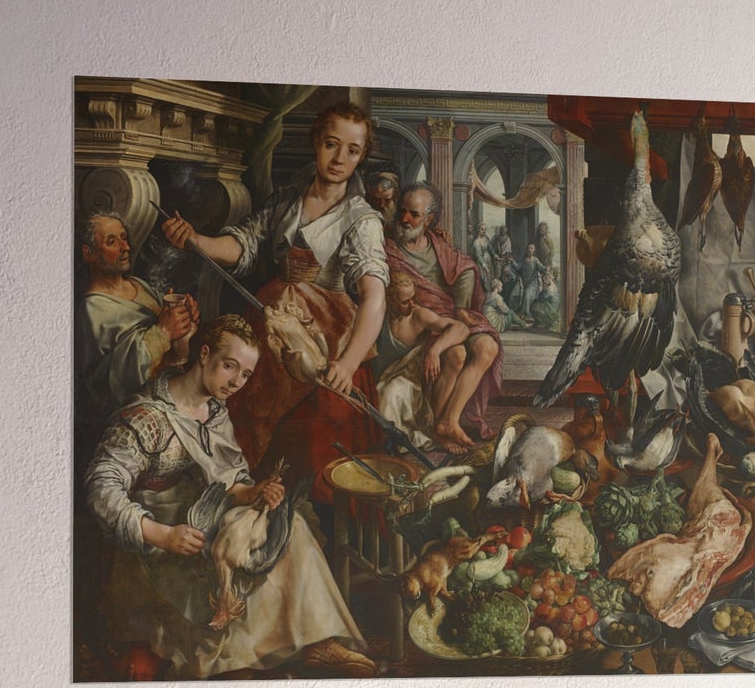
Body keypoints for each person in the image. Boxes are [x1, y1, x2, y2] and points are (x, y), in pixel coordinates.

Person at [85, 314, 375, 679]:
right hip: (158, 537)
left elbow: (228, 479)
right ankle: (236, 662)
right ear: (204, 354)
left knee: (287, 524)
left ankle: (317, 641)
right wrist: (162, 534)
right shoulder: (148, 416)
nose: (236, 382)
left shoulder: (214, 411)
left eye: (246, 375)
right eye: (229, 367)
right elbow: (100, 489)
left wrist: (253, 491)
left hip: (203, 514)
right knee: (231, 560)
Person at [159, 103, 388, 497]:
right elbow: (245, 243)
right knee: (242, 409)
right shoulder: (288, 198)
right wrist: (196, 240)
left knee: (314, 439)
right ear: (316, 141)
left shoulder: (361, 219)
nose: (339, 159)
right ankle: (236, 494)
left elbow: (375, 297)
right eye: (332, 144)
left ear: (362, 155)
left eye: (352, 150)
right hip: (271, 322)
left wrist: (347, 365)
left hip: (326, 339)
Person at [385, 181, 502, 446]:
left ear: (429, 219)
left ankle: (448, 421)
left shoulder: (437, 243)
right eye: (403, 211)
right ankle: (437, 426)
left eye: (414, 214)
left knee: (487, 347)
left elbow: (466, 267)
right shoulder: (389, 249)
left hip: (448, 316)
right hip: (419, 324)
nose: (405, 218)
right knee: (457, 353)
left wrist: (461, 306)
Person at [77, 211, 197, 436]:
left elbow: (172, 337)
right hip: (135, 423)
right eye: (112, 241)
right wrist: (163, 331)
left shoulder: (138, 284)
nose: (125, 247)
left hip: (174, 399)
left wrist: (186, 317)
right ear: (89, 254)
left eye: (124, 237)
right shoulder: (91, 309)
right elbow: (114, 383)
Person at [374, 271, 474, 453]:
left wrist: (435, 351)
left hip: (410, 383)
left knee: (392, 392)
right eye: (405, 302)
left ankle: (401, 443)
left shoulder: (419, 316)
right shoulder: (379, 315)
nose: (412, 305)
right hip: (381, 377)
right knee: (384, 393)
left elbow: (461, 328)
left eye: (413, 298)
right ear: (390, 299)